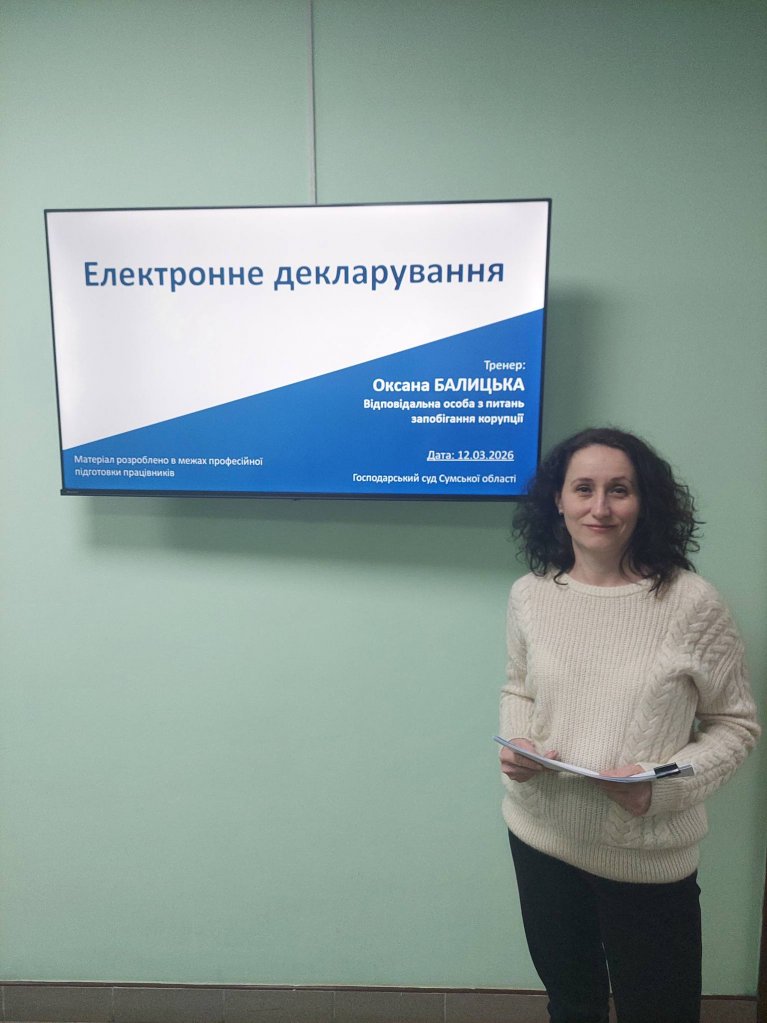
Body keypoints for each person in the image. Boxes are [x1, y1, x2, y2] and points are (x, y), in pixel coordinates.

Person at [498, 427, 759, 1023]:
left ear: (644, 503)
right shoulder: (530, 596)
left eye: (619, 489)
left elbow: (735, 724)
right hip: (541, 836)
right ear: (557, 500)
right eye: (583, 489)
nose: (600, 507)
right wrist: (519, 743)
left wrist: (660, 784)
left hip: (645, 854)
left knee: (660, 1010)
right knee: (572, 1005)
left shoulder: (693, 603)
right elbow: (518, 686)